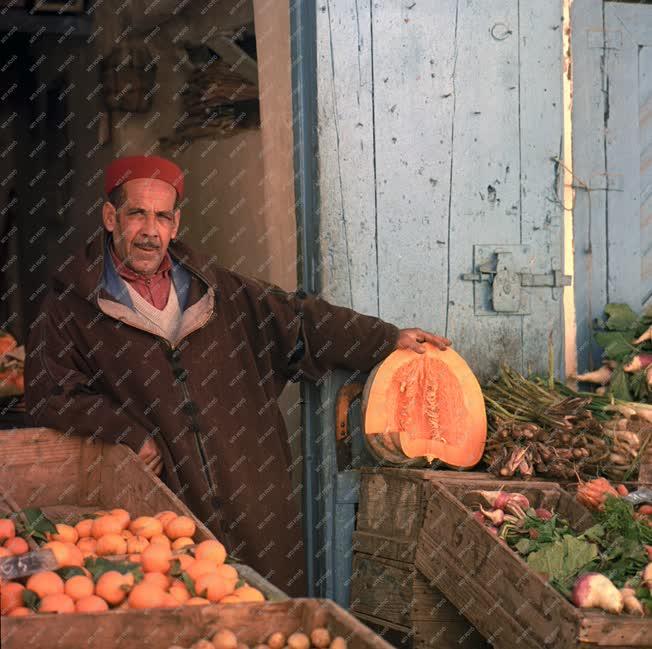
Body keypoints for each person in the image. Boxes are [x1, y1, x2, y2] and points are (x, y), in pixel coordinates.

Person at [24, 155, 450, 596]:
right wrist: (127, 433)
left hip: (251, 489)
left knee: (269, 607)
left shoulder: (221, 291)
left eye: (163, 216)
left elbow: (302, 320)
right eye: (137, 214)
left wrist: (384, 338)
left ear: (176, 223)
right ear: (111, 217)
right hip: (165, 498)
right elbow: (50, 392)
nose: (151, 231)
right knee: (188, 601)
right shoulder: (71, 308)